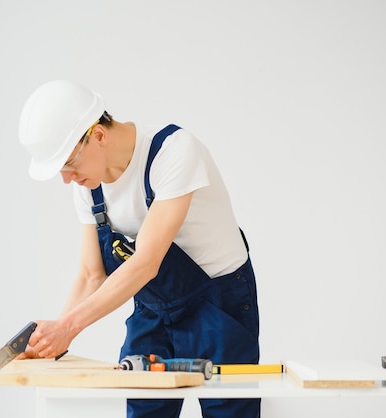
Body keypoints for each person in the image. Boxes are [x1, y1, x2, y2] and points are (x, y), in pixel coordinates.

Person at [18, 80, 260, 418]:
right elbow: (92, 274)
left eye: (70, 165)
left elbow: (147, 261)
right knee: (145, 410)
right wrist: (53, 339)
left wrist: (68, 327)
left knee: (228, 412)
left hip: (218, 304)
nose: (66, 179)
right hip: (153, 309)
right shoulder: (89, 187)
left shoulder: (172, 151)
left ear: (98, 136)